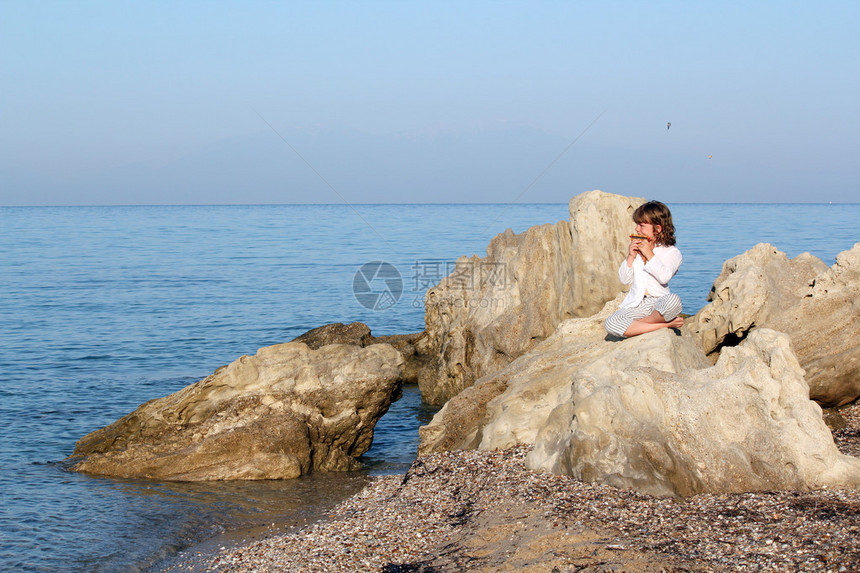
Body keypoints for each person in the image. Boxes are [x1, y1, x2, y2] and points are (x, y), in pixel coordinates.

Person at [604, 200, 683, 338]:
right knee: (611, 323)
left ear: (657, 228)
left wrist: (649, 255)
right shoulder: (638, 250)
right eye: (637, 225)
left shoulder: (672, 252)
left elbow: (664, 277)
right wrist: (630, 256)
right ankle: (665, 325)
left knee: (674, 301)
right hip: (637, 303)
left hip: (659, 302)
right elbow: (624, 279)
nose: (637, 229)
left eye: (641, 225)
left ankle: (637, 325)